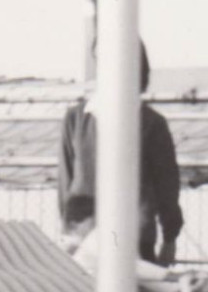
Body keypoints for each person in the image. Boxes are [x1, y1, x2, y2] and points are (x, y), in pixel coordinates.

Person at [57, 40, 183, 265]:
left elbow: (167, 186)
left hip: (135, 239)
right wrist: (67, 233)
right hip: (84, 240)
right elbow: (66, 182)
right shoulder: (76, 120)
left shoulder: (152, 123)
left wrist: (170, 237)